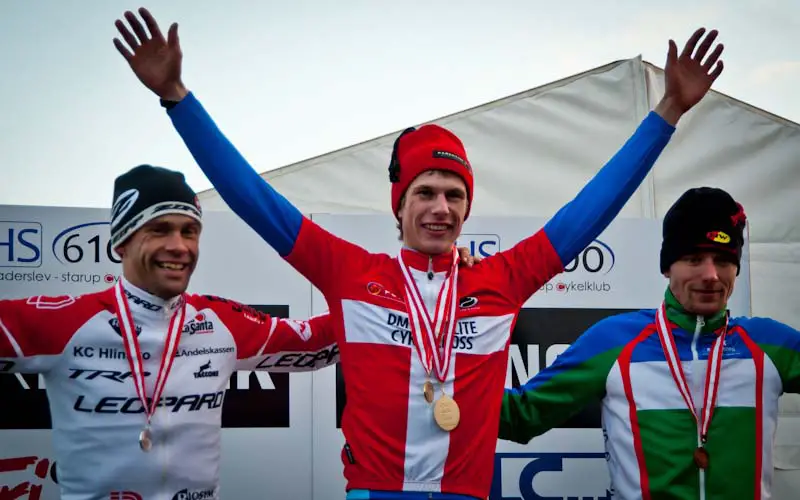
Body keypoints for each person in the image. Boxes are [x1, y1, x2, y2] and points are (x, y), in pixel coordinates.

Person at [113, 8, 724, 499]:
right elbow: (253, 199)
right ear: (397, 204)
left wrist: (667, 112)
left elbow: (590, 210)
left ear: (466, 208)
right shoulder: (351, 274)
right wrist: (177, 99)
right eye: (424, 192)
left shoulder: (504, 281)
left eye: (454, 195)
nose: (440, 207)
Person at [0, 164, 342, 500]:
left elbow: (312, 345)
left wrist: (376, 305)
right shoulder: (64, 320)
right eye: (160, 230)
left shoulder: (218, 320)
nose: (179, 246)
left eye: (189, 231)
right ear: (122, 242)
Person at [499, 187, 800, 499]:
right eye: (694, 258)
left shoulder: (770, 344)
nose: (711, 274)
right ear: (668, 266)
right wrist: (446, 388)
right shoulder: (614, 342)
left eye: (723, 260)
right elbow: (521, 416)